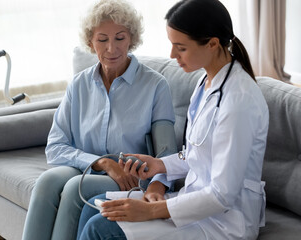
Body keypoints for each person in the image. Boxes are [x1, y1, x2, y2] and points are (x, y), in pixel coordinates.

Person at [77, 0, 269, 239]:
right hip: (194, 203)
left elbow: (222, 195)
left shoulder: (239, 101)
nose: (172, 55)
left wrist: (151, 211)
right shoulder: (206, 83)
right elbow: (200, 153)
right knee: (95, 204)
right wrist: (160, 165)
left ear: (212, 44)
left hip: (224, 221)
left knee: (100, 228)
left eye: (181, 47)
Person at [21, 0, 176, 239]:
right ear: (90, 42)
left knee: (75, 188)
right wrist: (102, 163)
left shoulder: (155, 85)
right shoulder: (79, 84)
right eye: (102, 40)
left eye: (120, 38)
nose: (112, 49)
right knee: (46, 182)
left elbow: (167, 154)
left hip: (129, 179)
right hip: (85, 167)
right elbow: (55, 147)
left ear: (131, 38)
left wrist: (153, 184)